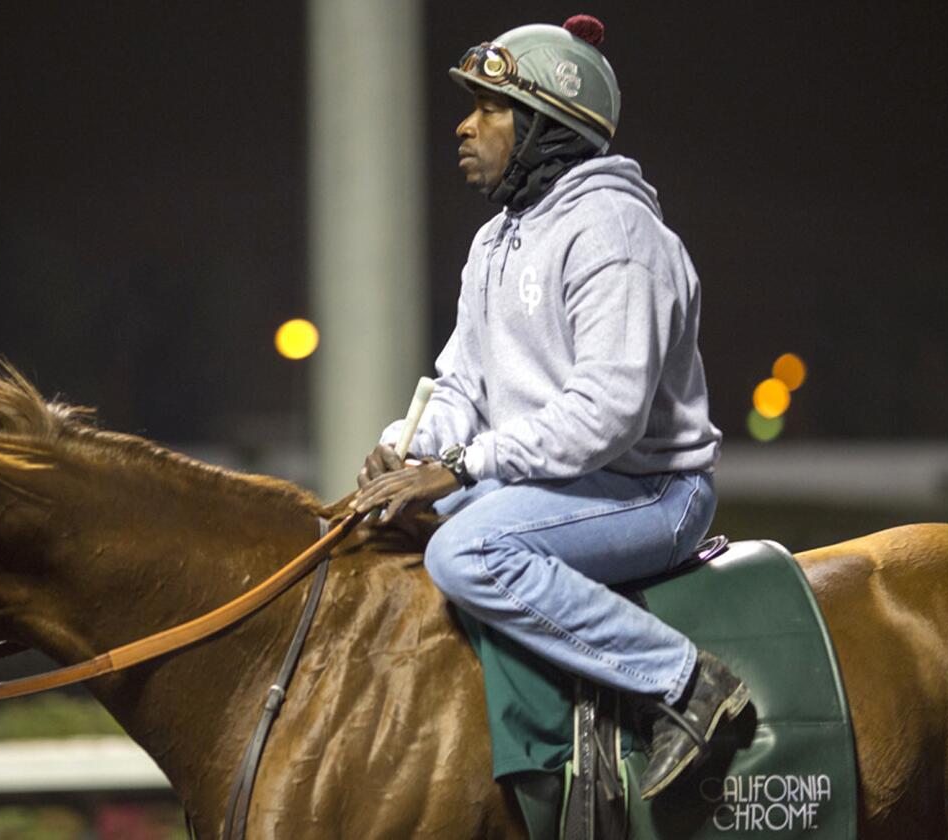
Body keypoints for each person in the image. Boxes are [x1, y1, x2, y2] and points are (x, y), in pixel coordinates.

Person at [351, 14, 749, 810]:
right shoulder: (495, 241)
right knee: (379, 527)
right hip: (556, 484)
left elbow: (606, 416)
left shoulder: (618, 233)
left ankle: (686, 683)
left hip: (649, 491)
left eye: (491, 108)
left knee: (466, 553)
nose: (465, 125)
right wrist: (409, 448)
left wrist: (460, 468)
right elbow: (463, 384)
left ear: (546, 124)